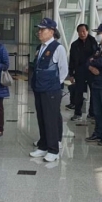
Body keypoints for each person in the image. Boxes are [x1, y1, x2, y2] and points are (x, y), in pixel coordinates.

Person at [29, 18, 69, 163]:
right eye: (39, 29)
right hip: (39, 88)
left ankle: (53, 150)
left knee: (50, 119)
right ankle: (43, 145)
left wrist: (54, 85)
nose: (39, 32)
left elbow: (63, 70)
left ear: (51, 31)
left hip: (51, 90)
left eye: (42, 29)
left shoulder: (58, 48)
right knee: (41, 118)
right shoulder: (40, 47)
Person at [68, 24, 98, 120]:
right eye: (80, 31)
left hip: (91, 70)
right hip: (79, 71)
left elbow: (97, 55)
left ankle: (92, 113)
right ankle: (77, 113)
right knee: (78, 92)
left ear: (87, 31)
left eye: (84, 31)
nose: (82, 33)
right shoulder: (74, 45)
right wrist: (71, 74)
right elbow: (71, 60)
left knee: (93, 92)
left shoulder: (93, 41)